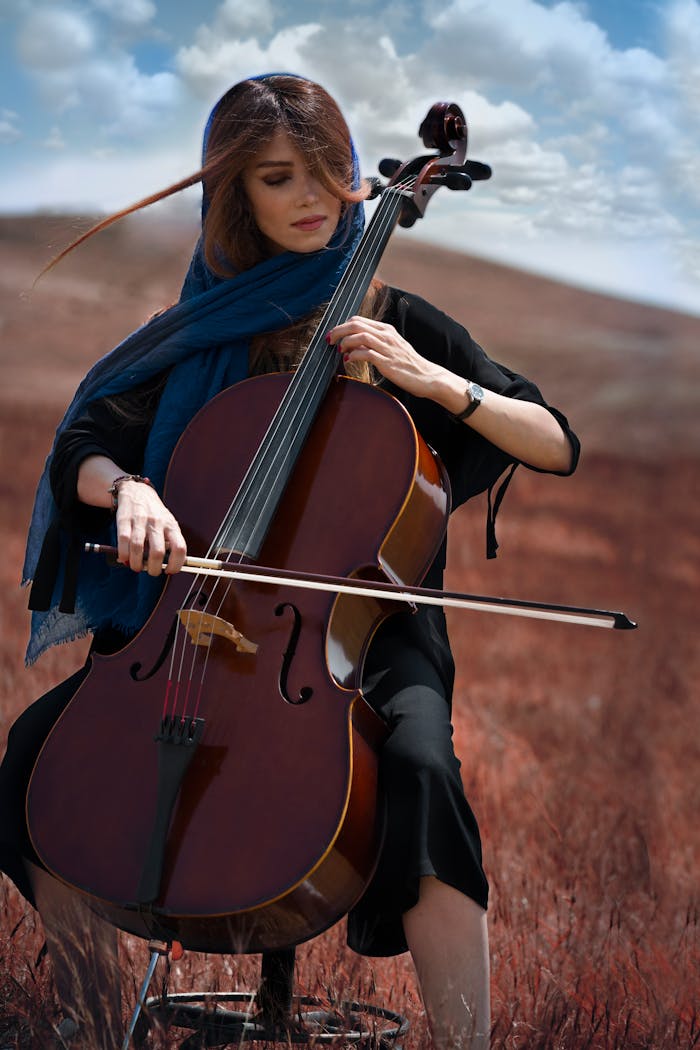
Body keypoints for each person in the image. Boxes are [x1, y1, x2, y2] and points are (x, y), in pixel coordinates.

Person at [1, 74, 579, 1049]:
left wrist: (429, 377)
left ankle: (465, 1039)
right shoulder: (198, 330)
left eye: (331, 173)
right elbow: (88, 443)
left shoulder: (397, 314)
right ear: (240, 196)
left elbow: (553, 440)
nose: (314, 197)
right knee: (31, 762)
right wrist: (129, 488)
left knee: (420, 768)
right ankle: (91, 1016)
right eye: (279, 178)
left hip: (366, 641)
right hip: (188, 628)